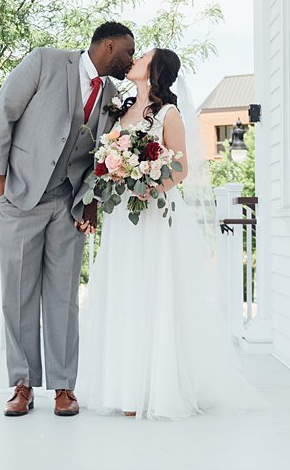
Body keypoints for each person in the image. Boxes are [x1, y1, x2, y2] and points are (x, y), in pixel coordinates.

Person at [76, 47, 257, 419]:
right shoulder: (120, 108)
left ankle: (155, 388)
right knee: (124, 291)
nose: (135, 58)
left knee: (152, 291)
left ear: (154, 69)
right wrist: (116, 173)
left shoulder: (167, 114)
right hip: (124, 215)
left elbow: (181, 169)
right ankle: (124, 388)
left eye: (142, 56)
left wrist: (149, 184)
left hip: (154, 215)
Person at [0, 21, 136, 417]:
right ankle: (22, 384)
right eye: (127, 52)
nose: (130, 60)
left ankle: (64, 387)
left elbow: (103, 154)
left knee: (65, 298)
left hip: (68, 205)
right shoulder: (45, 62)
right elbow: (2, 114)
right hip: (21, 198)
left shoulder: (114, 94)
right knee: (18, 295)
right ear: (108, 45)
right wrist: (0, 188)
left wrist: (90, 202)